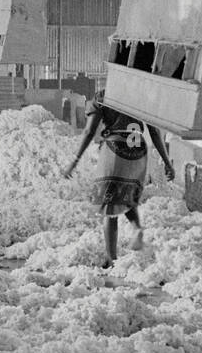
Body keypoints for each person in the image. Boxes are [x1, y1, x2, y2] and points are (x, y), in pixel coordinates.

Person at [63, 90, 175, 266]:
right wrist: (167, 162)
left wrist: (75, 160)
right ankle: (137, 228)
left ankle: (110, 257)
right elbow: (154, 133)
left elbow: (89, 131)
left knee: (109, 207)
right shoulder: (143, 97)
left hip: (115, 149)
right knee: (127, 197)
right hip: (138, 150)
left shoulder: (104, 96)